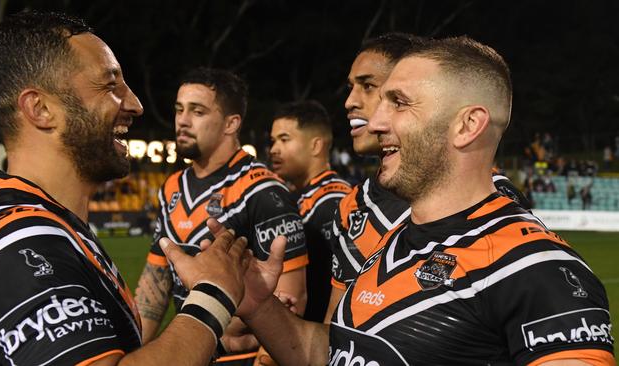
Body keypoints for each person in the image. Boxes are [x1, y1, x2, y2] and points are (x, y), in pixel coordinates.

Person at [232, 36, 615, 365]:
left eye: (399, 103)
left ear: (467, 125)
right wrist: (259, 306)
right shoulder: (389, 244)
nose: (377, 122)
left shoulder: (536, 270)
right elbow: (335, 352)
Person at [0, 11, 265, 366]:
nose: (136, 105)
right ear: (41, 109)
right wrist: (212, 295)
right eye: (109, 85)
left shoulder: (52, 226)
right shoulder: (20, 245)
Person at [327, 32, 531, 324]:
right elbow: (335, 335)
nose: (350, 102)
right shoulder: (352, 207)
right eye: (351, 87)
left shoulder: (487, 199)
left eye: (369, 86)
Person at [134, 68, 308, 364]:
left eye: (197, 111)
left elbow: (292, 299)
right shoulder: (171, 188)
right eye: (179, 110)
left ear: (231, 124)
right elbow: (156, 285)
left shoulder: (262, 191)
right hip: (191, 353)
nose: (182, 121)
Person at [269, 100, 352, 323]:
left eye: (284, 139)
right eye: (273, 141)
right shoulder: (297, 195)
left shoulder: (335, 202)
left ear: (316, 146)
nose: (274, 149)